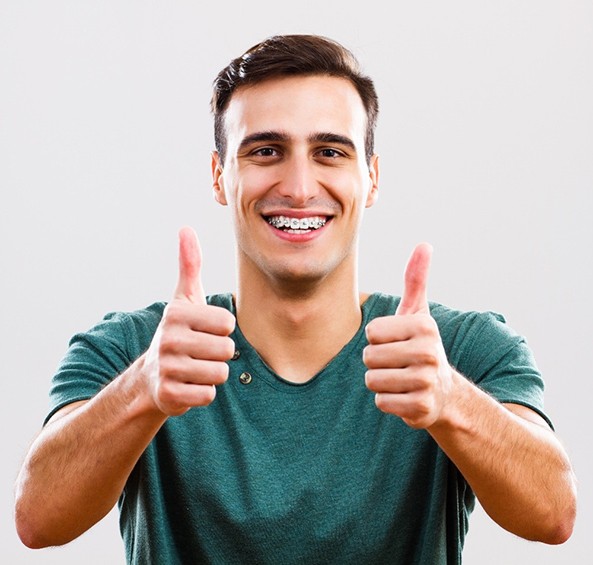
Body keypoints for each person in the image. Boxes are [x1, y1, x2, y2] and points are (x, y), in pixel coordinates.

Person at [15, 34, 576, 564]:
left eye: (330, 151)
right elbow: (37, 519)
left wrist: (453, 402)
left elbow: (554, 513)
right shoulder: (139, 350)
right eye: (265, 150)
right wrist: (142, 392)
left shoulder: (454, 350)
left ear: (371, 179)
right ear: (219, 176)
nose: (300, 186)